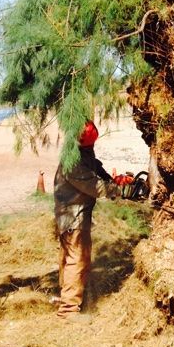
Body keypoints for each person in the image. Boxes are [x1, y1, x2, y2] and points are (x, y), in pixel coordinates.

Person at [53, 120, 120, 316]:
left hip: (70, 216)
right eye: (89, 145)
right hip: (74, 217)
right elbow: (96, 187)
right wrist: (121, 190)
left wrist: (112, 179)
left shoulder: (82, 152)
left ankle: (66, 297)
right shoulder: (72, 162)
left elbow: (96, 168)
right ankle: (68, 309)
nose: (91, 148)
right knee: (77, 260)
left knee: (68, 258)